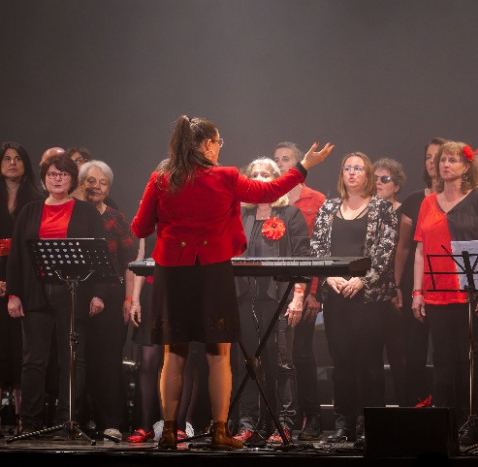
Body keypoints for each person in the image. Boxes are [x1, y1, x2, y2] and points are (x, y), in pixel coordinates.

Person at [130, 116, 333, 450]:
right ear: (208, 144)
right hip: (211, 272)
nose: (219, 148)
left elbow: (139, 228)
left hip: (174, 273)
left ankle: (167, 432)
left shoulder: (161, 178)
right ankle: (221, 431)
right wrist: (304, 165)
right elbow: (269, 191)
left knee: (175, 354)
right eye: (218, 142)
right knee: (218, 354)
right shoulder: (224, 176)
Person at [6, 153, 106, 435]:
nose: (57, 179)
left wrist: (98, 295)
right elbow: (16, 257)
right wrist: (14, 295)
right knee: (34, 361)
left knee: (73, 360)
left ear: (71, 179)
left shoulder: (86, 212)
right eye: (52, 174)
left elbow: (100, 258)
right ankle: (31, 422)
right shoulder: (29, 211)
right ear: (44, 179)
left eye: (63, 174)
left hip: (73, 293)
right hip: (34, 293)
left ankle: (68, 421)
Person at [310, 152, 397, 444]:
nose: (352, 172)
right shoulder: (328, 207)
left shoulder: (382, 207)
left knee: (369, 364)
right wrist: (329, 276)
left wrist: (361, 280)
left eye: (358, 168)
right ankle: (343, 424)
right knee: (342, 364)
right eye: (347, 168)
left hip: (369, 299)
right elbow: (317, 248)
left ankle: (371, 424)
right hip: (336, 298)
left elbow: (384, 251)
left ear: (368, 174)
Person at [411, 141, 478, 447]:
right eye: (443, 160)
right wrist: (416, 291)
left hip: (469, 295)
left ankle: (475, 421)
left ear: (466, 167)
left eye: (453, 160)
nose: (445, 165)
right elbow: (420, 250)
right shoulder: (428, 203)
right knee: (443, 361)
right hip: (435, 294)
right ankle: (446, 422)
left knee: (469, 360)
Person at [230, 157, 310, 445]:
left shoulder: (291, 215)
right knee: (246, 363)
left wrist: (298, 297)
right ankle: (248, 422)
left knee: (281, 363)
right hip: (243, 298)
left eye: (267, 174)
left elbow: (303, 260)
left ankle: (284, 423)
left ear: (277, 181)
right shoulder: (240, 215)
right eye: (255, 174)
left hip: (279, 299)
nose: (261, 178)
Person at [77, 160, 138, 440]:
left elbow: (130, 262)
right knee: (80, 361)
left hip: (112, 298)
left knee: (108, 361)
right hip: (77, 295)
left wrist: (128, 299)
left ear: (109, 187)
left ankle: (111, 421)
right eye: (90, 181)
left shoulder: (116, 218)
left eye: (102, 182)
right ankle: (79, 419)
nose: (96, 186)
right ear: (80, 184)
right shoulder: (72, 215)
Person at [272, 140, 326, 441]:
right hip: (274, 290)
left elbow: (317, 249)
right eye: (277, 160)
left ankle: (312, 414)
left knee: (302, 354)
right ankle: (280, 416)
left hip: (304, 289)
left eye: (287, 159)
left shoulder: (314, 198)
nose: (281, 164)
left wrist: (314, 293)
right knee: (280, 356)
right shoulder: (271, 199)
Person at [393, 137, 447, 407]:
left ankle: (447, 405)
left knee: (447, 352)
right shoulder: (414, 200)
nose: (433, 161)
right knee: (413, 351)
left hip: (448, 282)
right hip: (414, 284)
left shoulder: (463, 198)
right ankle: (416, 403)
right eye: (428, 156)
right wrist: (396, 285)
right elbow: (403, 247)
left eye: (439, 156)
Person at [127, 236, 196, 444]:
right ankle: (146, 425)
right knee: (148, 361)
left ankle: (179, 425)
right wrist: (136, 299)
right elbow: (142, 258)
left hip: (182, 292)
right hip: (152, 291)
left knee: (181, 361)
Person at [0, 142, 44, 436]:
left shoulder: (37, 200)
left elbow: (35, 245)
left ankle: (21, 418)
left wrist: (14, 283)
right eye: (7, 158)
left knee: (21, 349)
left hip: (24, 280)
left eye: (18, 158)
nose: (12, 163)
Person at [371, 157, 407, 406]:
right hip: (369, 292)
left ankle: (406, 408)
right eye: (374, 179)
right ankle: (372, 412)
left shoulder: (402, 214)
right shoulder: (365, 210)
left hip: (394, 291)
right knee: (370, 356)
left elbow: (401, 251)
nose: (378, 183)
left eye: (385, 179)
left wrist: (395, 286)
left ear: (396, 185)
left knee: (398, 354)